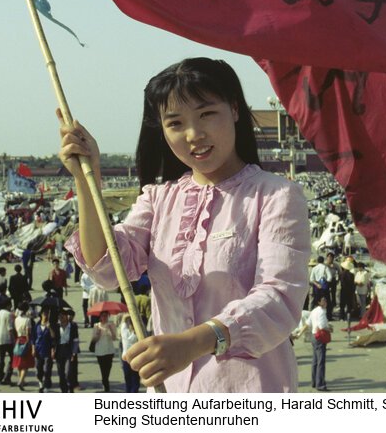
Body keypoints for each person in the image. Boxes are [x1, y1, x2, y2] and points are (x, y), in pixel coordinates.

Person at [60, 57, 309, 392]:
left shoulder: (277, 195)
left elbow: (279, 299)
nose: (194, 135)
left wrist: (193, 343)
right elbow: (107, 270)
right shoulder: (158, 199)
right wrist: (87, 181)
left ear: (234, 109)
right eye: (175, 123)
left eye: (207, 114)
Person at [90, 309, 118, 392]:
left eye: (106, 315)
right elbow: (94, 339)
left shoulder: (111, 324)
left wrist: (111, 330)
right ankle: (105, 383)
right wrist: (98, 333)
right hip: (100, 351)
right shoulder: (96, 325)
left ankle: (105, 380)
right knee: (103, 368)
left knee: (108, 368)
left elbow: (114, 338)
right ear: (100, 317)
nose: (104, 317)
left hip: (109, 350)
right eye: (103, 316)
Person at [309, 295, 331, 391]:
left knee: (315, 361)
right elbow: (322, 326)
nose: (325, 302)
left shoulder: (314, 311)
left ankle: (314, 381)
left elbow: (308, 323)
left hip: (314, 336)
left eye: (325, 300)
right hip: (320, 337)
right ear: (319, 302)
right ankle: (320, 384)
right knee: (320, 361)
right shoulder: (321, 312)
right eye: (323, 301)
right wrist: (329, 328)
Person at [12, 301, 35, 391]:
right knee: (26, 363)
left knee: (19, 363)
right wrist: (29, 343)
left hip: (18, 339)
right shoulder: (27, 320)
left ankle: (21, 379)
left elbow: (15, 330)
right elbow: (28, 333)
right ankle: (21, 381)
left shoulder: (16, 319)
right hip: (25, 340)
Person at [54, 308, 78, 393]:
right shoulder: (56, 326)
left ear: (66, 317)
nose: (61, 318)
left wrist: (74, 353)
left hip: (69, 350)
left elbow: (75, 340)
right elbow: (53, 340)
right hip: (59, 350)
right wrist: (52, 350)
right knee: (61, 373)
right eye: (59, 316)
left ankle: (70, 388)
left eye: (62, 316)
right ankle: (63, 390)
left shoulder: (73, 326)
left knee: (68, 372)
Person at [0, 297, 15, 384]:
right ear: (8, 305)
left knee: (1, 359)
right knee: (12, 359)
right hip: (8, 339)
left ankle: (0, 376)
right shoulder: (9, 314)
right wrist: (13, 339)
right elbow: (10, 329)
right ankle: (7, 376)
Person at [33, 309, 54, 393]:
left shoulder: (50, 325)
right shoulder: (36, 326)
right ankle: (40, 381)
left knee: (47, 369)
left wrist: (50, 328)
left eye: (47, 314)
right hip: (38, 350)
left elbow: (53, 338)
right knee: (38, 368)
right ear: (41, 315)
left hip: (47, 350)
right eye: (44, 314)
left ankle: (46, 384)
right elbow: (33, 338)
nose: (46, 315)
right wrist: (33, 349)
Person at [119, 314, 140, 393]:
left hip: (131, 358)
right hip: (129, 357)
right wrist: (132, 314)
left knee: (133, 379)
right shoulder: (129, 331)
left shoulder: (125, 331)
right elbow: (124, 320)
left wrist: (129, 314)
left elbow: (124, 319)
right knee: (131, 379)